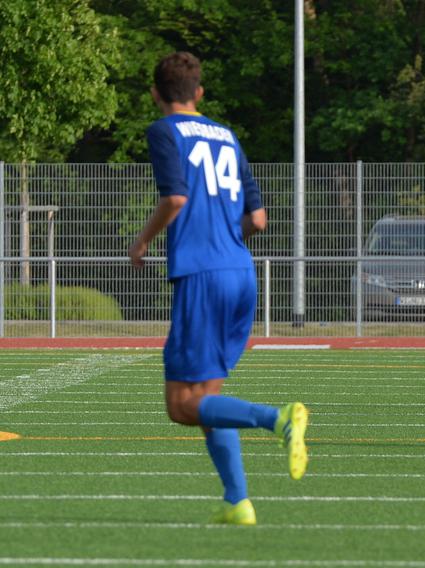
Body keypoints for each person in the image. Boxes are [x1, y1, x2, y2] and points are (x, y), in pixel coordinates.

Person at [128, 52, 309, 526]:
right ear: (200, 93)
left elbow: (175, 197)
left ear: (155, 93)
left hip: (202, 275)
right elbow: (258, 220)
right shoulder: (226, 136)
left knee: (181, 406)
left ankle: (278, 418)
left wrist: (142, 241)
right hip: (240, 272)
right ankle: (237, 501)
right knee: (208, 396)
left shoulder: (163, 131)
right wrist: (226, 246)